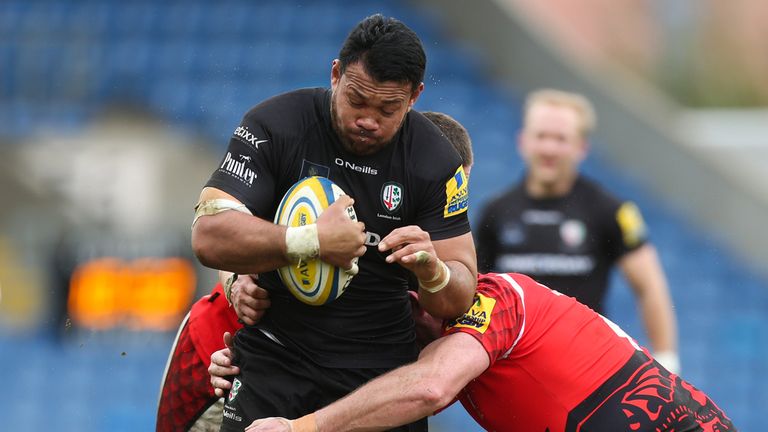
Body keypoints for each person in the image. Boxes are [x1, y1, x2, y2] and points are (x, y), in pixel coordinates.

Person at [191, 12, 479, 429]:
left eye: (388, 109)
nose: (367, 120)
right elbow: (209, 235)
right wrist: (311, 240)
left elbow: (460, 292)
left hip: (379, 378)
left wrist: (433, 272)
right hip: (275, 360)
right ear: (335, 74)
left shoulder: (436, 161)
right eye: (356, 100)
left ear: (414, 97)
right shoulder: (275, 125)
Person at [155, 109, 474, 431]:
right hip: (222, 344)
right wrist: (235, 282)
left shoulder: (441, 254)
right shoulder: (327, 198)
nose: (451, 207)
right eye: (450, 193)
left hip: (325, 373)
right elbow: (230, 235)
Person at [209, 272, 736, 432]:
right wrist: (246, 369)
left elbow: (428, 386)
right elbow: (367, 393)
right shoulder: (425, 344)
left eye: (411, 302)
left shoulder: (493, 298)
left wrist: (299, 430)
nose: (406, 318)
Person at [475, 88, 680, 372]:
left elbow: (650, 286)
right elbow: (476, 290)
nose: (549, 148)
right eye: (541, 136)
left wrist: (667, 358)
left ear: (582, 147)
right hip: (515, 368)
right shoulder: (495, 212)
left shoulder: (610, 210)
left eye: (560, 139)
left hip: (587, 367)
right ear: (522, 141)